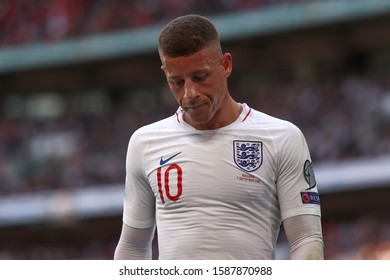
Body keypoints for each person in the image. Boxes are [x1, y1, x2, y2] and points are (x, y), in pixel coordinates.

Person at [114, 14, 324, 260]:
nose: (190, 93)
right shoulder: (144, 143)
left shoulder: (281, 137)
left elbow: (306, 239)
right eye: (177, 82)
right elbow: (133, 246)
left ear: (225, 65)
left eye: (200, 77)